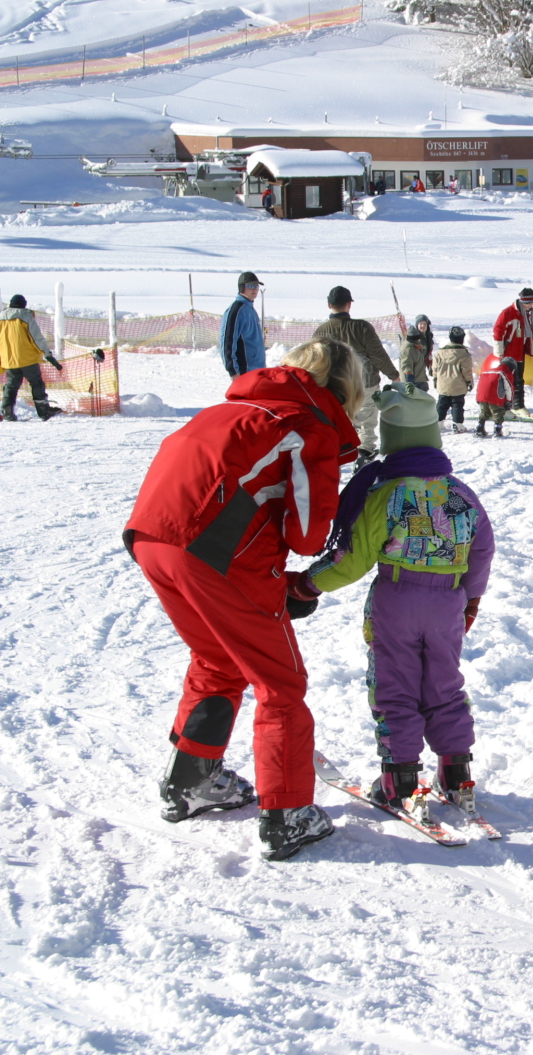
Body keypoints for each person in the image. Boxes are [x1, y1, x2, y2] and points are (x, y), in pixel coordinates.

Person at [124, 338, 364, 861]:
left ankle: (190, 779)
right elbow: (305, 534)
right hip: (213, 553)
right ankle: (287, 813)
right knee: (280, 683)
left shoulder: (233, 407)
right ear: (345, 389)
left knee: (216, 658)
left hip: (152, 538)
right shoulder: (306, 427)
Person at [292, 384, 495, 816]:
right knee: (443, 682)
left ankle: (399, 779)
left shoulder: (387, 493)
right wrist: (471, 598)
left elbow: (354, 557)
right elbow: (482, 547)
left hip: (397, 599)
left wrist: (309, 583)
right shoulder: (461, 493)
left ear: (391, 439)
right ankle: (456, 772)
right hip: (448, 604)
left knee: (394, 684)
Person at [314, 285, 399, 464]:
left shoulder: (320, 332)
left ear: (329, 305)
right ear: (349, 304)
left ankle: (340, 455)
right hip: (365, 383)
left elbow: (314, 362)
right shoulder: (362, 327)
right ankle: (364, 455)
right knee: (366, 421)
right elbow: (377, 354)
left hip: (335, 387)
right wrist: (393, 375)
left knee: (341, 421)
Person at [0, 295, 63, 422]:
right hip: (27, 358)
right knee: (36, 383)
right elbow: (36, 338)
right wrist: (47, 354)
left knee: (11, 386)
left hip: (9, 359)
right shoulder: (25, 316)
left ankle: (7, 413)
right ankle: (44, 411)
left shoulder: (1, 318)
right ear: (23, 304)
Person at [492, 288, 533, 415]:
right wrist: (499, 352)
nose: (531, 305)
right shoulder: (508, 313)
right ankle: (504, 406)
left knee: (518, 380)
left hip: (520, 353)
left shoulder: (528, 313)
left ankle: (517, 405)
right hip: (508, 353)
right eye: (529, 303)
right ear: (523, 301)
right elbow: (498, 332)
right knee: (506, 380)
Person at [220, 272, 266, 379]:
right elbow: (227, 342)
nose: (254, 290)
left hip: (258, 371)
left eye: (256, 286)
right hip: (244, 372)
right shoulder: (236, 311)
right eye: (250, 286)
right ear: (242, 287)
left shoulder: (250, 309)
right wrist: (233, 371)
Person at [432, 326, 473, 434]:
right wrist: (469, 382)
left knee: (442, 404)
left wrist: (435, 378)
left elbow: (435, 368)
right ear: (462, 338)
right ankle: (457, 425)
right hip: (458, 385)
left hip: (443, 384)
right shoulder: (464, 354)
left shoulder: (439, 353)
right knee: (457, 404)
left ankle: (438, 424)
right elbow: (467, 371)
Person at [475, 352, 514, 439]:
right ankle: (497, 430)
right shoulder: (505, 372)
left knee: (484, 412)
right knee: (498, 413)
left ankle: (479, 428)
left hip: (481, 397)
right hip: (495, 398)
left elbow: (480, 385)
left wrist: (478, 398)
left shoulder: (487, 371)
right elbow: (509, 388)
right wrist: (509, 401)